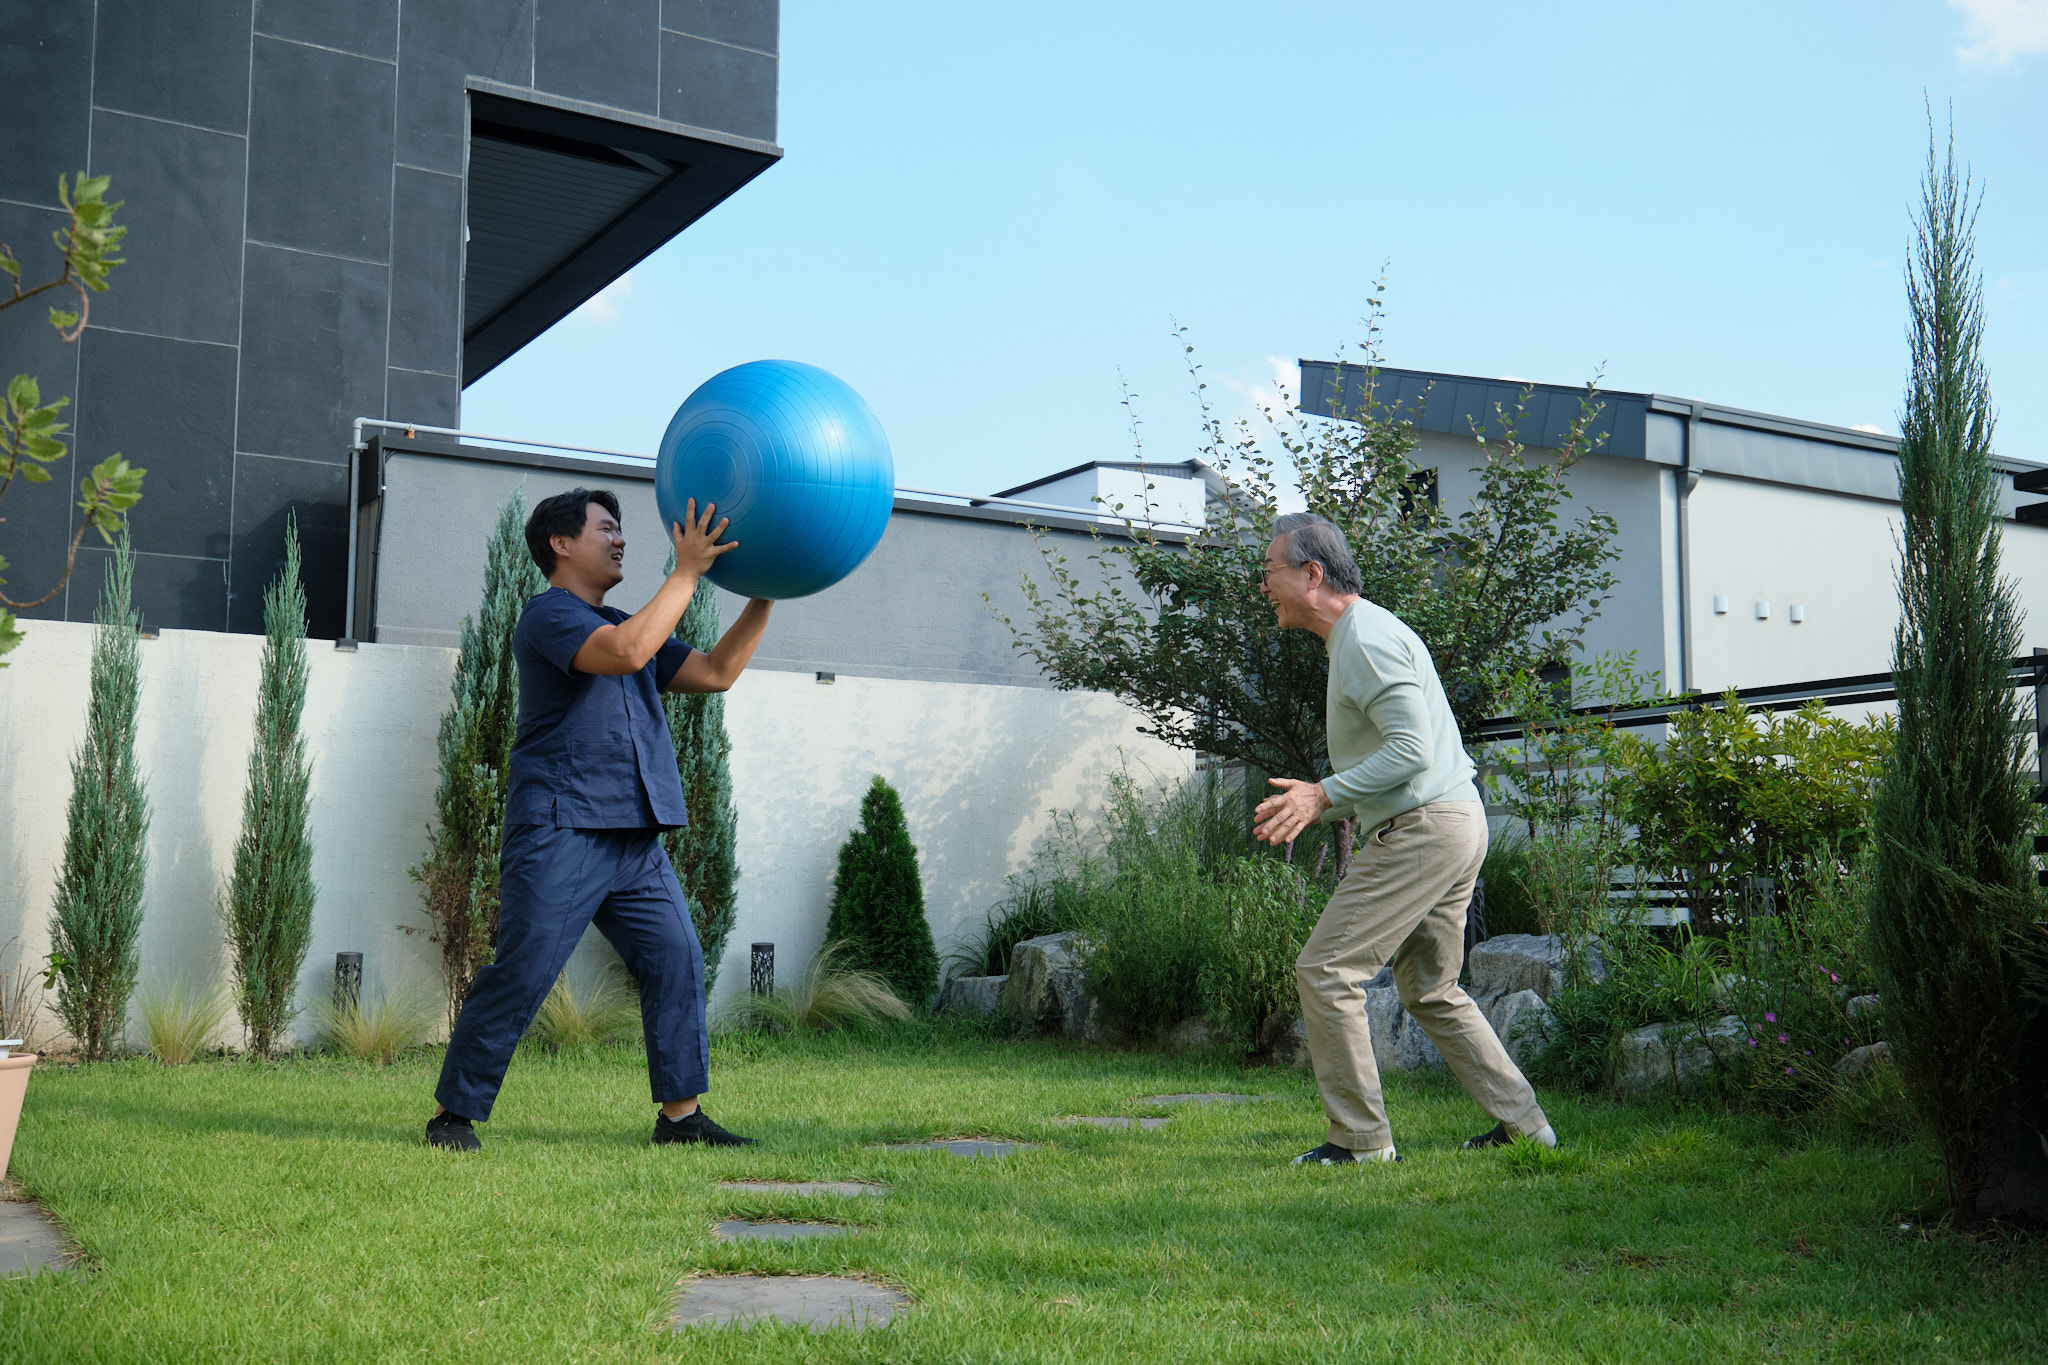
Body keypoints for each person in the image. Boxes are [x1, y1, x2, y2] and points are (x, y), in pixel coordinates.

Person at [425, 487, 772, 1152]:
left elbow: (717, 671)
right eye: (606, 528)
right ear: (561, 543)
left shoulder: (625, 622)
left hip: (633, 836)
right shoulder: (550, 616)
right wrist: (687, 571)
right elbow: (627, 652)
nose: (621, 539)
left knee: (676, 957)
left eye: (620, 529)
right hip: (563, 826)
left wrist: (766, 594)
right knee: (524, 968)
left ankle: (680, 1118)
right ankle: (452, 1113)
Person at [1251, 512, 1557, 1166]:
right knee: (1430, 987)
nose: (1263, 586)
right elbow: (1403, 758)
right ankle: (1526, 1126)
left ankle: (1360, 1141)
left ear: (1312, 573)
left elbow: (1411, 750)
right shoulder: (1361, 635)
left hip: (1423, 828)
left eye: (1269, 571)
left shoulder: (1364, 639)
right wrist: (1321, 802)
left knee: (1327, 969)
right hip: (1451, 819)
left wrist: (1321, 794)